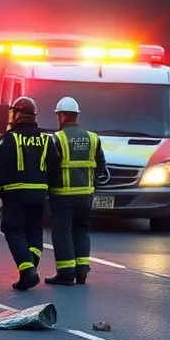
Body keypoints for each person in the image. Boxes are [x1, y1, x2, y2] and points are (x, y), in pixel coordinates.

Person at [0, 96, 61, 291]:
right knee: (34, 230)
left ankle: (28, 270)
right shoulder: (47, 139)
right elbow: (55, 168)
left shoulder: (8, 138)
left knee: (13, 230)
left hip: (15, 195)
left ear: (18, 113)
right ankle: (29, 270)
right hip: (39, 195)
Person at [45, 96, 107, 286]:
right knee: (81, 231)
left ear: (61, 116)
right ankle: (81, 273)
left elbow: (51, 168)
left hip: (63, 195)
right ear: (77, 115)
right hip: (85, 196)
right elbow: (101, 167)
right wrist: (90, 184)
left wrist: (48, 188)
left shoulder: (57, 139)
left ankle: (65, 273)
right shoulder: (93, 138)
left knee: (62, 232)